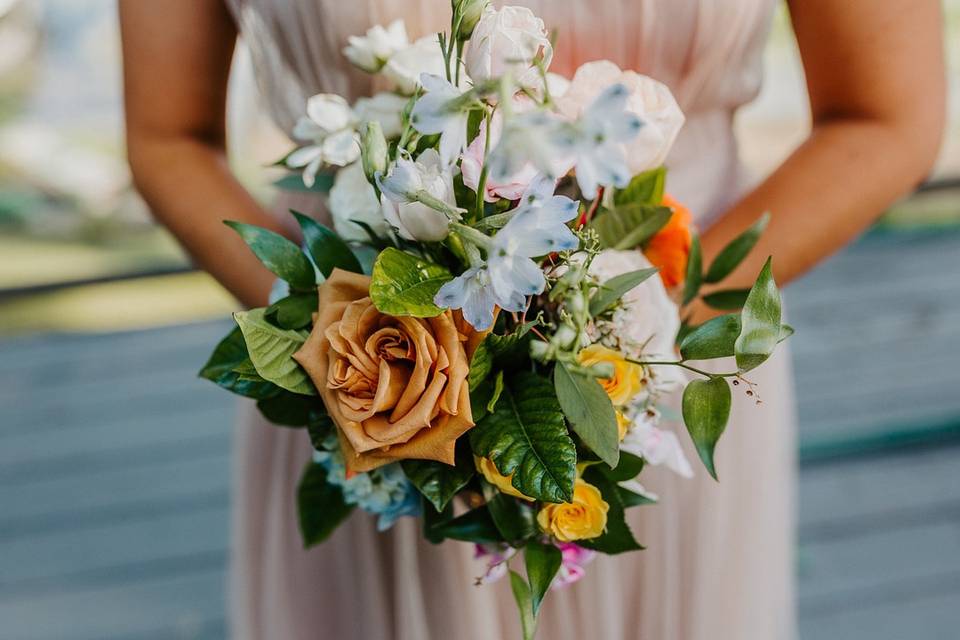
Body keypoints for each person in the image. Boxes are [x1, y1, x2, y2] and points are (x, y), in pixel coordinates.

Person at [118, 1, 945, 638]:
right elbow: (169, 137)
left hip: (655, 372)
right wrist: (345, 344)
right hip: (361, 389)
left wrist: (628, 337)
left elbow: (884, 117)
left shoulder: (645, 343)